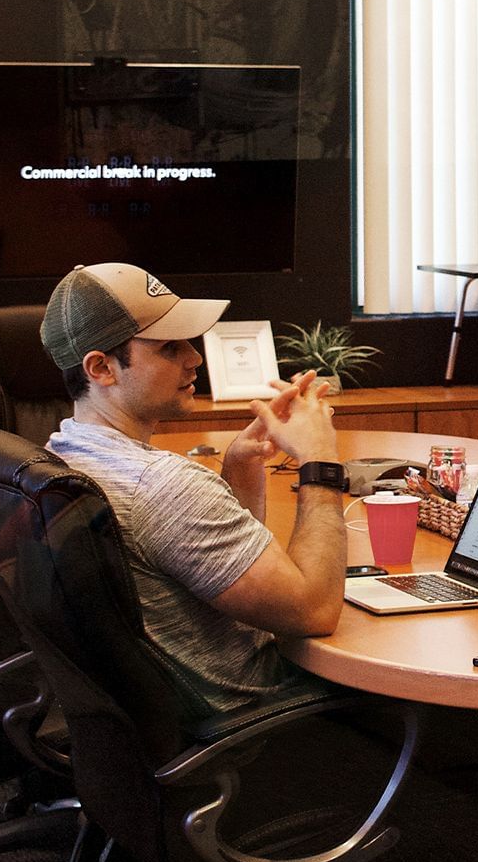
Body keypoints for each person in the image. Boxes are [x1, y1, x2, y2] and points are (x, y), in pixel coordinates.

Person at [40, 262, 348, 718]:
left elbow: (212, 568)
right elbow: (314, 611)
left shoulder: (62, 451)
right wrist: (320, 463)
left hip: (154, 717)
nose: (195, 358)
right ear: (102, 368)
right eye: (169, 348)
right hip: (258, 716)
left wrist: (240, 465)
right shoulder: (162, 486)